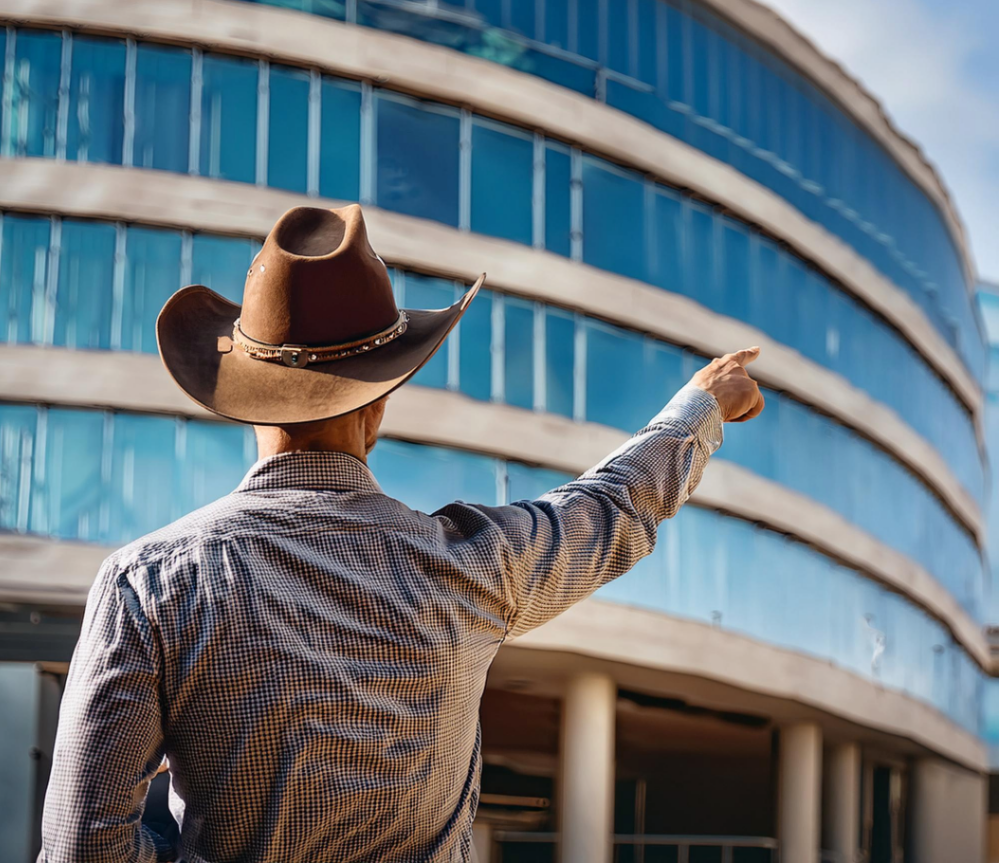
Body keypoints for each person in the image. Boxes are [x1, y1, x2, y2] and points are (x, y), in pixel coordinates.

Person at [38, 204, 763, 863]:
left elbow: (81, 847)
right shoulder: (478, 564)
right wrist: (701, 405)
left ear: (249, 400)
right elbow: (612, 507)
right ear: (377, 408)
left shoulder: (149, 581)